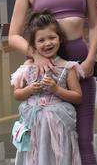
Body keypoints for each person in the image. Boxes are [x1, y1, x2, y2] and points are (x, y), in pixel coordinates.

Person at [8, 0, 97, 164]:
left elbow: (96, 25)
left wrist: (91, 59)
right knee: (45, 141)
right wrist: (36, 56)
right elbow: (13, 36)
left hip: (81, 66)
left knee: (84, 139)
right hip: (45, 71)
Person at [11, 11, 84, 165]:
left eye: (52, 37)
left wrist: (56, 90)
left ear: (60, 39)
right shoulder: (28, 66)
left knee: (56, 156)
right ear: (33, 45)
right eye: (41, 40)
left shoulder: (67, 67)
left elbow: (78, 96)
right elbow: (17, 94)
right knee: (35, 156)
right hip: (34, 123)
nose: (48, 43)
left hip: (58, 124)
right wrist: (29, 90)